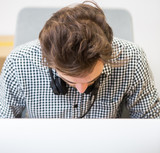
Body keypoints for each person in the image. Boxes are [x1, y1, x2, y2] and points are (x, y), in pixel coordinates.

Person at [0, 1, 160, 118]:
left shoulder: (132, 58)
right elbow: (4, 123)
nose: (82, 90)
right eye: (69, 81)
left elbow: (150, 121)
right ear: (48, 60)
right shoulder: (19, 62)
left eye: (92, 81)